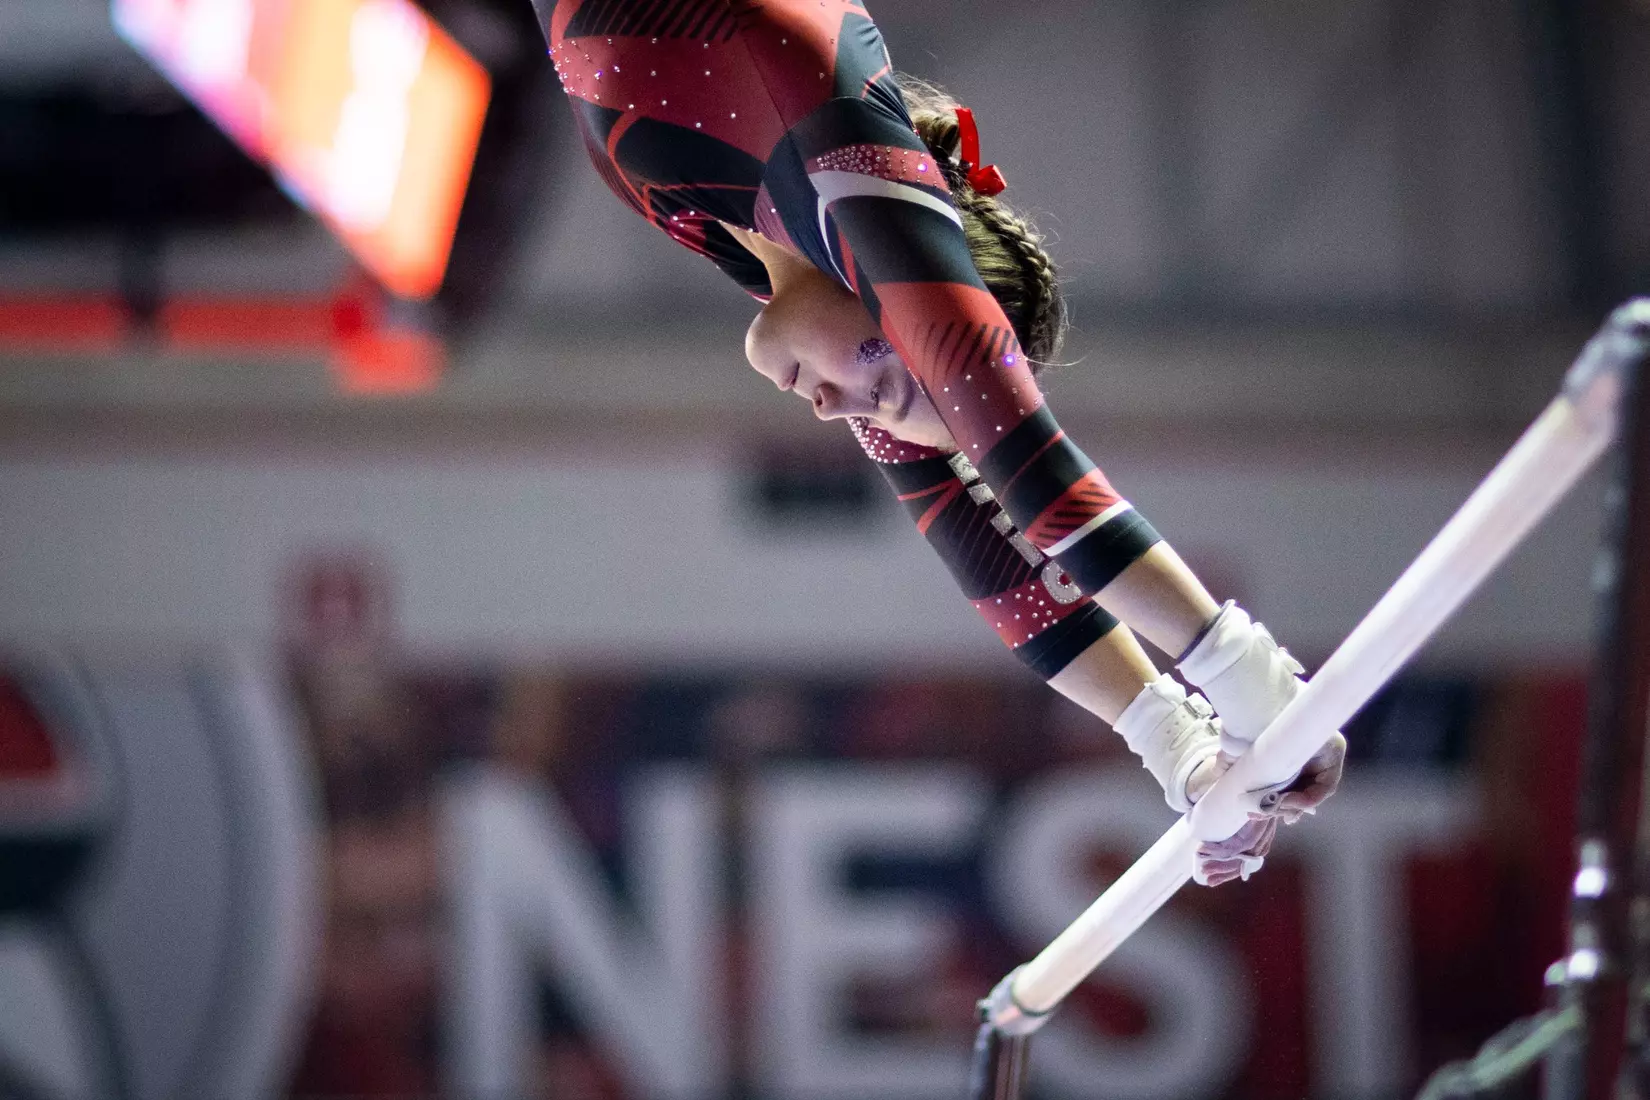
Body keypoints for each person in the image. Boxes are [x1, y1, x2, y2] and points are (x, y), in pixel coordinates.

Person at [533, 0, 1345, 884]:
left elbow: (987, 554)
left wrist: (1170, 743)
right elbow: (1041, 487)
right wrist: (1248, 681)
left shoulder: (754, 238)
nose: (829, 409)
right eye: (876, 390)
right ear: (910, 297)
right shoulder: (850, 169)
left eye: (867, 413)